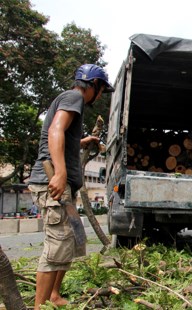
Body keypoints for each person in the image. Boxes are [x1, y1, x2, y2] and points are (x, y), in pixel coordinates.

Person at [28, 64, 114, 309]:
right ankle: (40, 306)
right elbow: (55, 129)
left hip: (64, 188)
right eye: (101, 90)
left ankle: (54, 295)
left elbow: (63, 136)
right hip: (51, 181)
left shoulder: (71, 102)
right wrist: (60, 172)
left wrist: (80, 140)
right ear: (94, 84)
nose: (99, 97)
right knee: (57, 242)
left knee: (73, 239)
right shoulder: (73, 96)